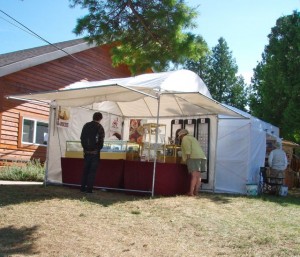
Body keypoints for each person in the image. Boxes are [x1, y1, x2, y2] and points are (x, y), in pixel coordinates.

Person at [80, 112, 105, 193]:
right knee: (92, 172)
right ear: (100, 119)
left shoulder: (86, 125)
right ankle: (89, 190)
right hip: (95, 153)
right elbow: (101, 141)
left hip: (86, 152)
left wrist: (85, 148)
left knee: (85, 171)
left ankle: (82, 188)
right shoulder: (99, 127)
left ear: (93, 117)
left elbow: (82, 137)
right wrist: (97, 149)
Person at [177, 129, 207, 196]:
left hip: (193, 157)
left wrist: (186, 160)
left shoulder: (185, 138)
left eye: (180, 137)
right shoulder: (193, 138)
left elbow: (188, 150)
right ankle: (196, 192)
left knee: (194, 175)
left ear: (181, 135)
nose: (180, 139)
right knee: (198, 176)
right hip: (202, 157)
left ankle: (191, 192)